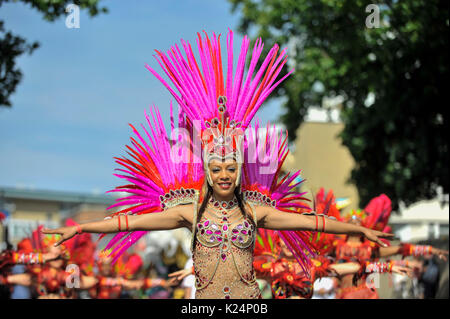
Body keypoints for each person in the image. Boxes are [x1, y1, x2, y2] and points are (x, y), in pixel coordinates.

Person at [42, 30, 395, 299]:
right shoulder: (187, 211)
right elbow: (129, 223)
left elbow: (311, 223)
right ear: (207, 173)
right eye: (217, 169)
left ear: (240, 170)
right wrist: (83, 228)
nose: (224, 175)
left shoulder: (256, 211)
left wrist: (358, 231)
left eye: (230, 168)